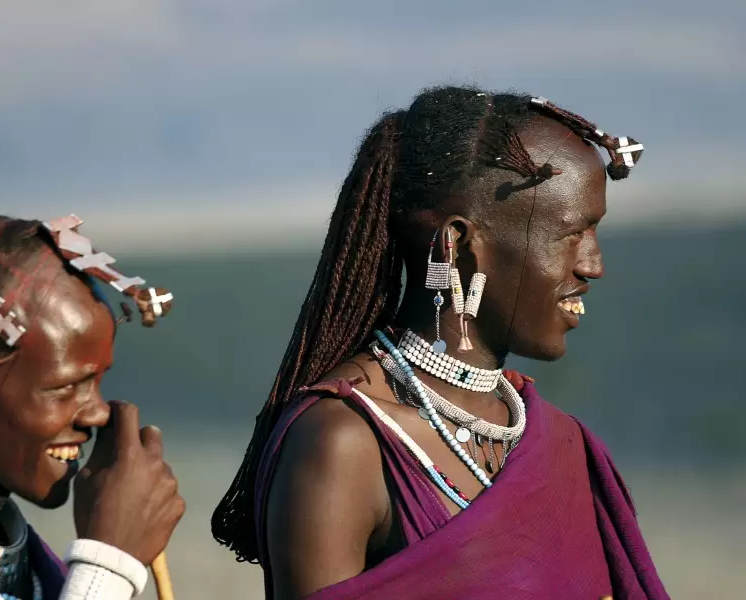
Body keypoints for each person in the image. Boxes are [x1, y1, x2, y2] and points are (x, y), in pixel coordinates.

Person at [212, 88, 669, 599]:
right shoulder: (345, 442)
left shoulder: (565, 445)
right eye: (571, 235)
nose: (593, 265)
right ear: (457, 244)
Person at [0, 212, 185, 600]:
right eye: (65, 387)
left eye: (97, 382)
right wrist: (106, 564)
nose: (99, 413)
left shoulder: (30, 567)